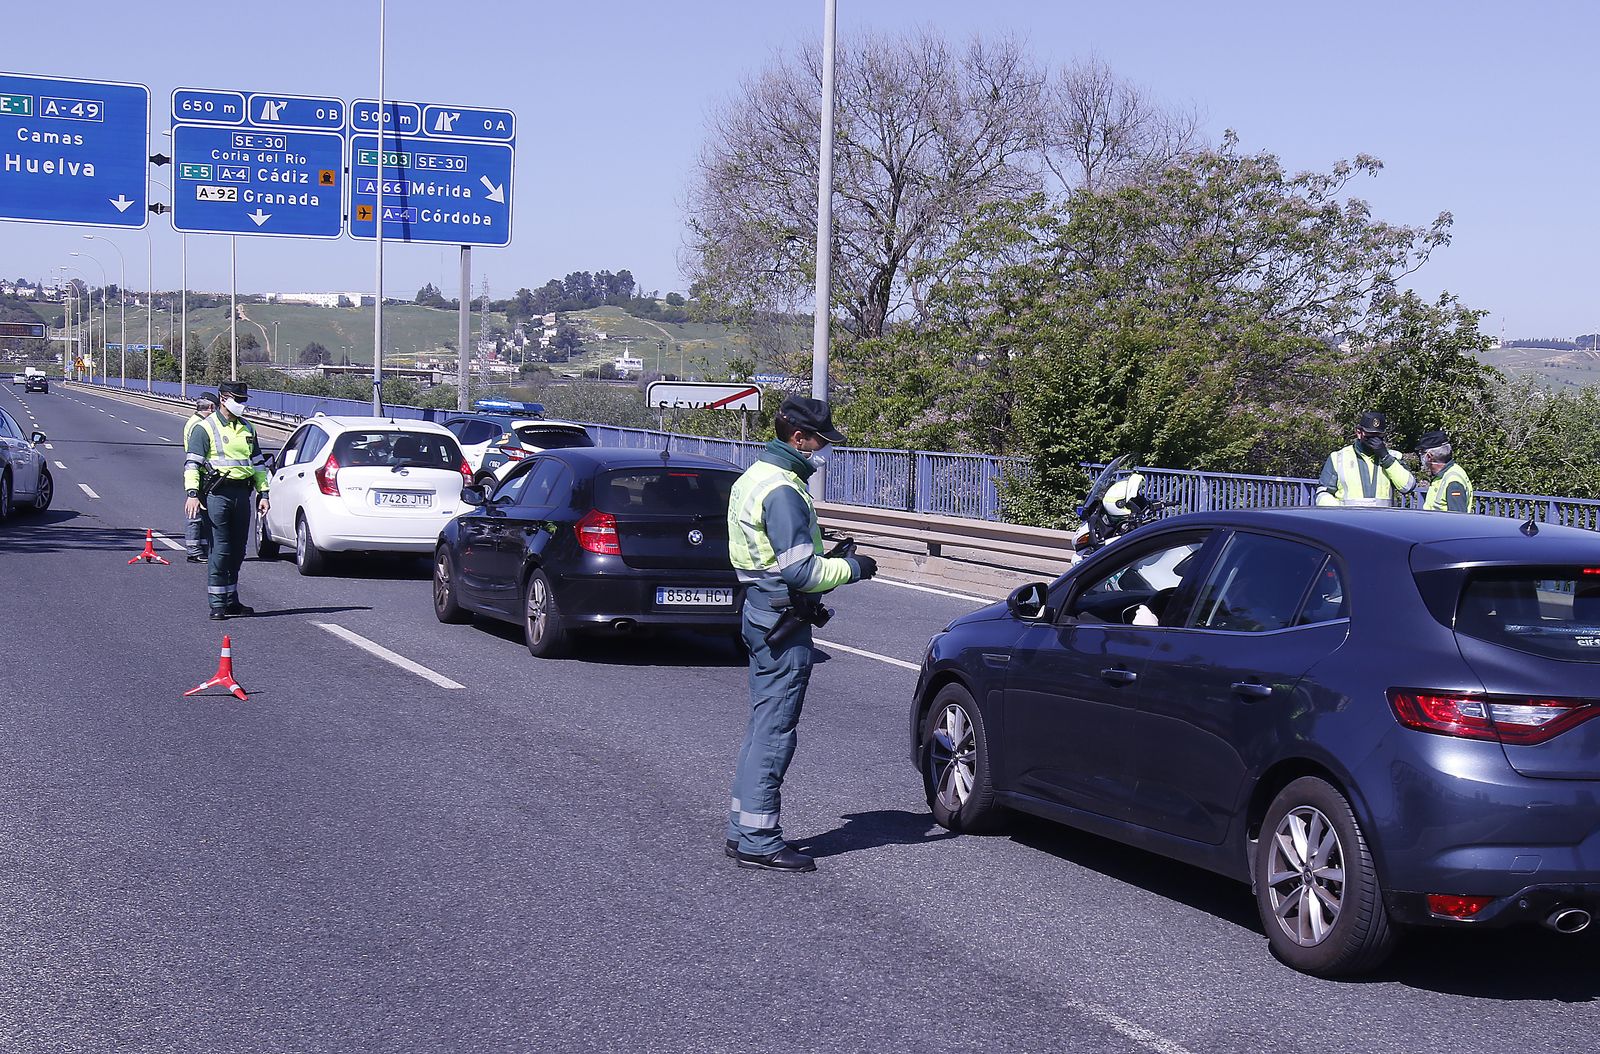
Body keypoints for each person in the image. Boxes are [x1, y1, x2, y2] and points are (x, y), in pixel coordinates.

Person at [724, 395, 877, 873]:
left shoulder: (753, 476)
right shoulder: (785, 490)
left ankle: (743, 829)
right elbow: (803, 573)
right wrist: (853, 567)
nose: (823, 450)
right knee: (775, 731)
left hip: (757, 609)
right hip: (781, 617)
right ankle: (758, 840)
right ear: (798, 439)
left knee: (760, 725)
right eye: (820, 441)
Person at [183, 381, 270, 620]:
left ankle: (232, 600)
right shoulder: (205, 428)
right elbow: (192, 464)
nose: (241, 404)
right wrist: (192, 493)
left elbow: (259, 464)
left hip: (242, 495)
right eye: (237, 399)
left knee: (238, 550)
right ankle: (218, 603)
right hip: (217, 495)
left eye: (243, 400)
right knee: (220, 550)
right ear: (223, 399)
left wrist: (264, 493)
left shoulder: (248, 429)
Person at [1314, 410, 1416, 507]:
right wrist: (1340, 514)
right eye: (1370, 435)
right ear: (1359, 433)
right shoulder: (1339, 457)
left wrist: (1385, 457)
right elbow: (1322, 493)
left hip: (1382, 522)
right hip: (1348, 522)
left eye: (1379, 436)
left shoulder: (1394, 456)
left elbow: (1408, 486)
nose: (1375, 440)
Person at [181, 392, 219, 562]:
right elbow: (197, 453)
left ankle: (201, 548)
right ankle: (194, 550)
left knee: (202, 513)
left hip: (198, 472)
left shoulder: (194, 421)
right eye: (216, 408)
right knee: (196, 513)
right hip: (200, 474)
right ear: (211, 407)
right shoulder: (200, 425)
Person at [1416, 430, 1475, 513]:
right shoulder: (1442, 475)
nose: (1420, 456)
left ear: (1429, 457)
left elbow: (1458, 521)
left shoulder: (1454, 482)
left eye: (1422, 452)